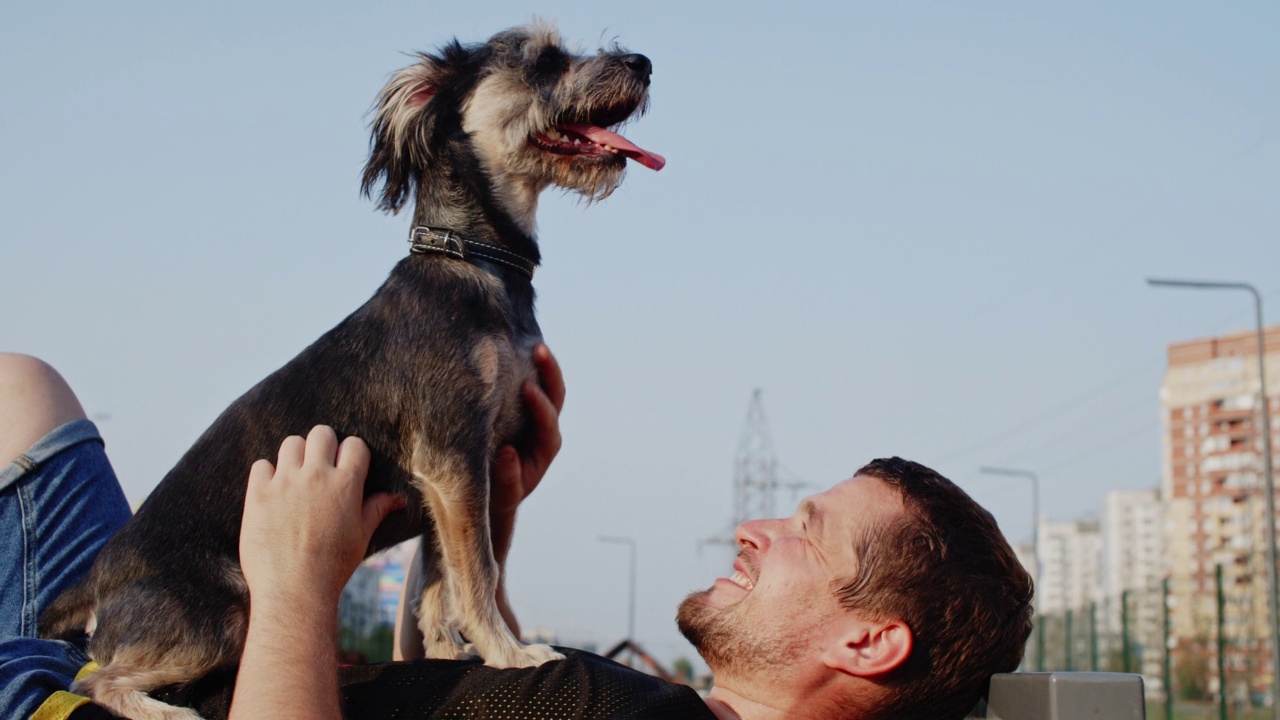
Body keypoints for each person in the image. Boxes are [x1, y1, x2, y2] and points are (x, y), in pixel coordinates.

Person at [2, 349, 1033, 720]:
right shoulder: (662, 708)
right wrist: (485, 526)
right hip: (148, 645)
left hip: (75, 706)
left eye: (805, 530)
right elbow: (433, 688)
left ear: (867, 641)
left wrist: (296, 585)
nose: (756, 527)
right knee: (22, 390)